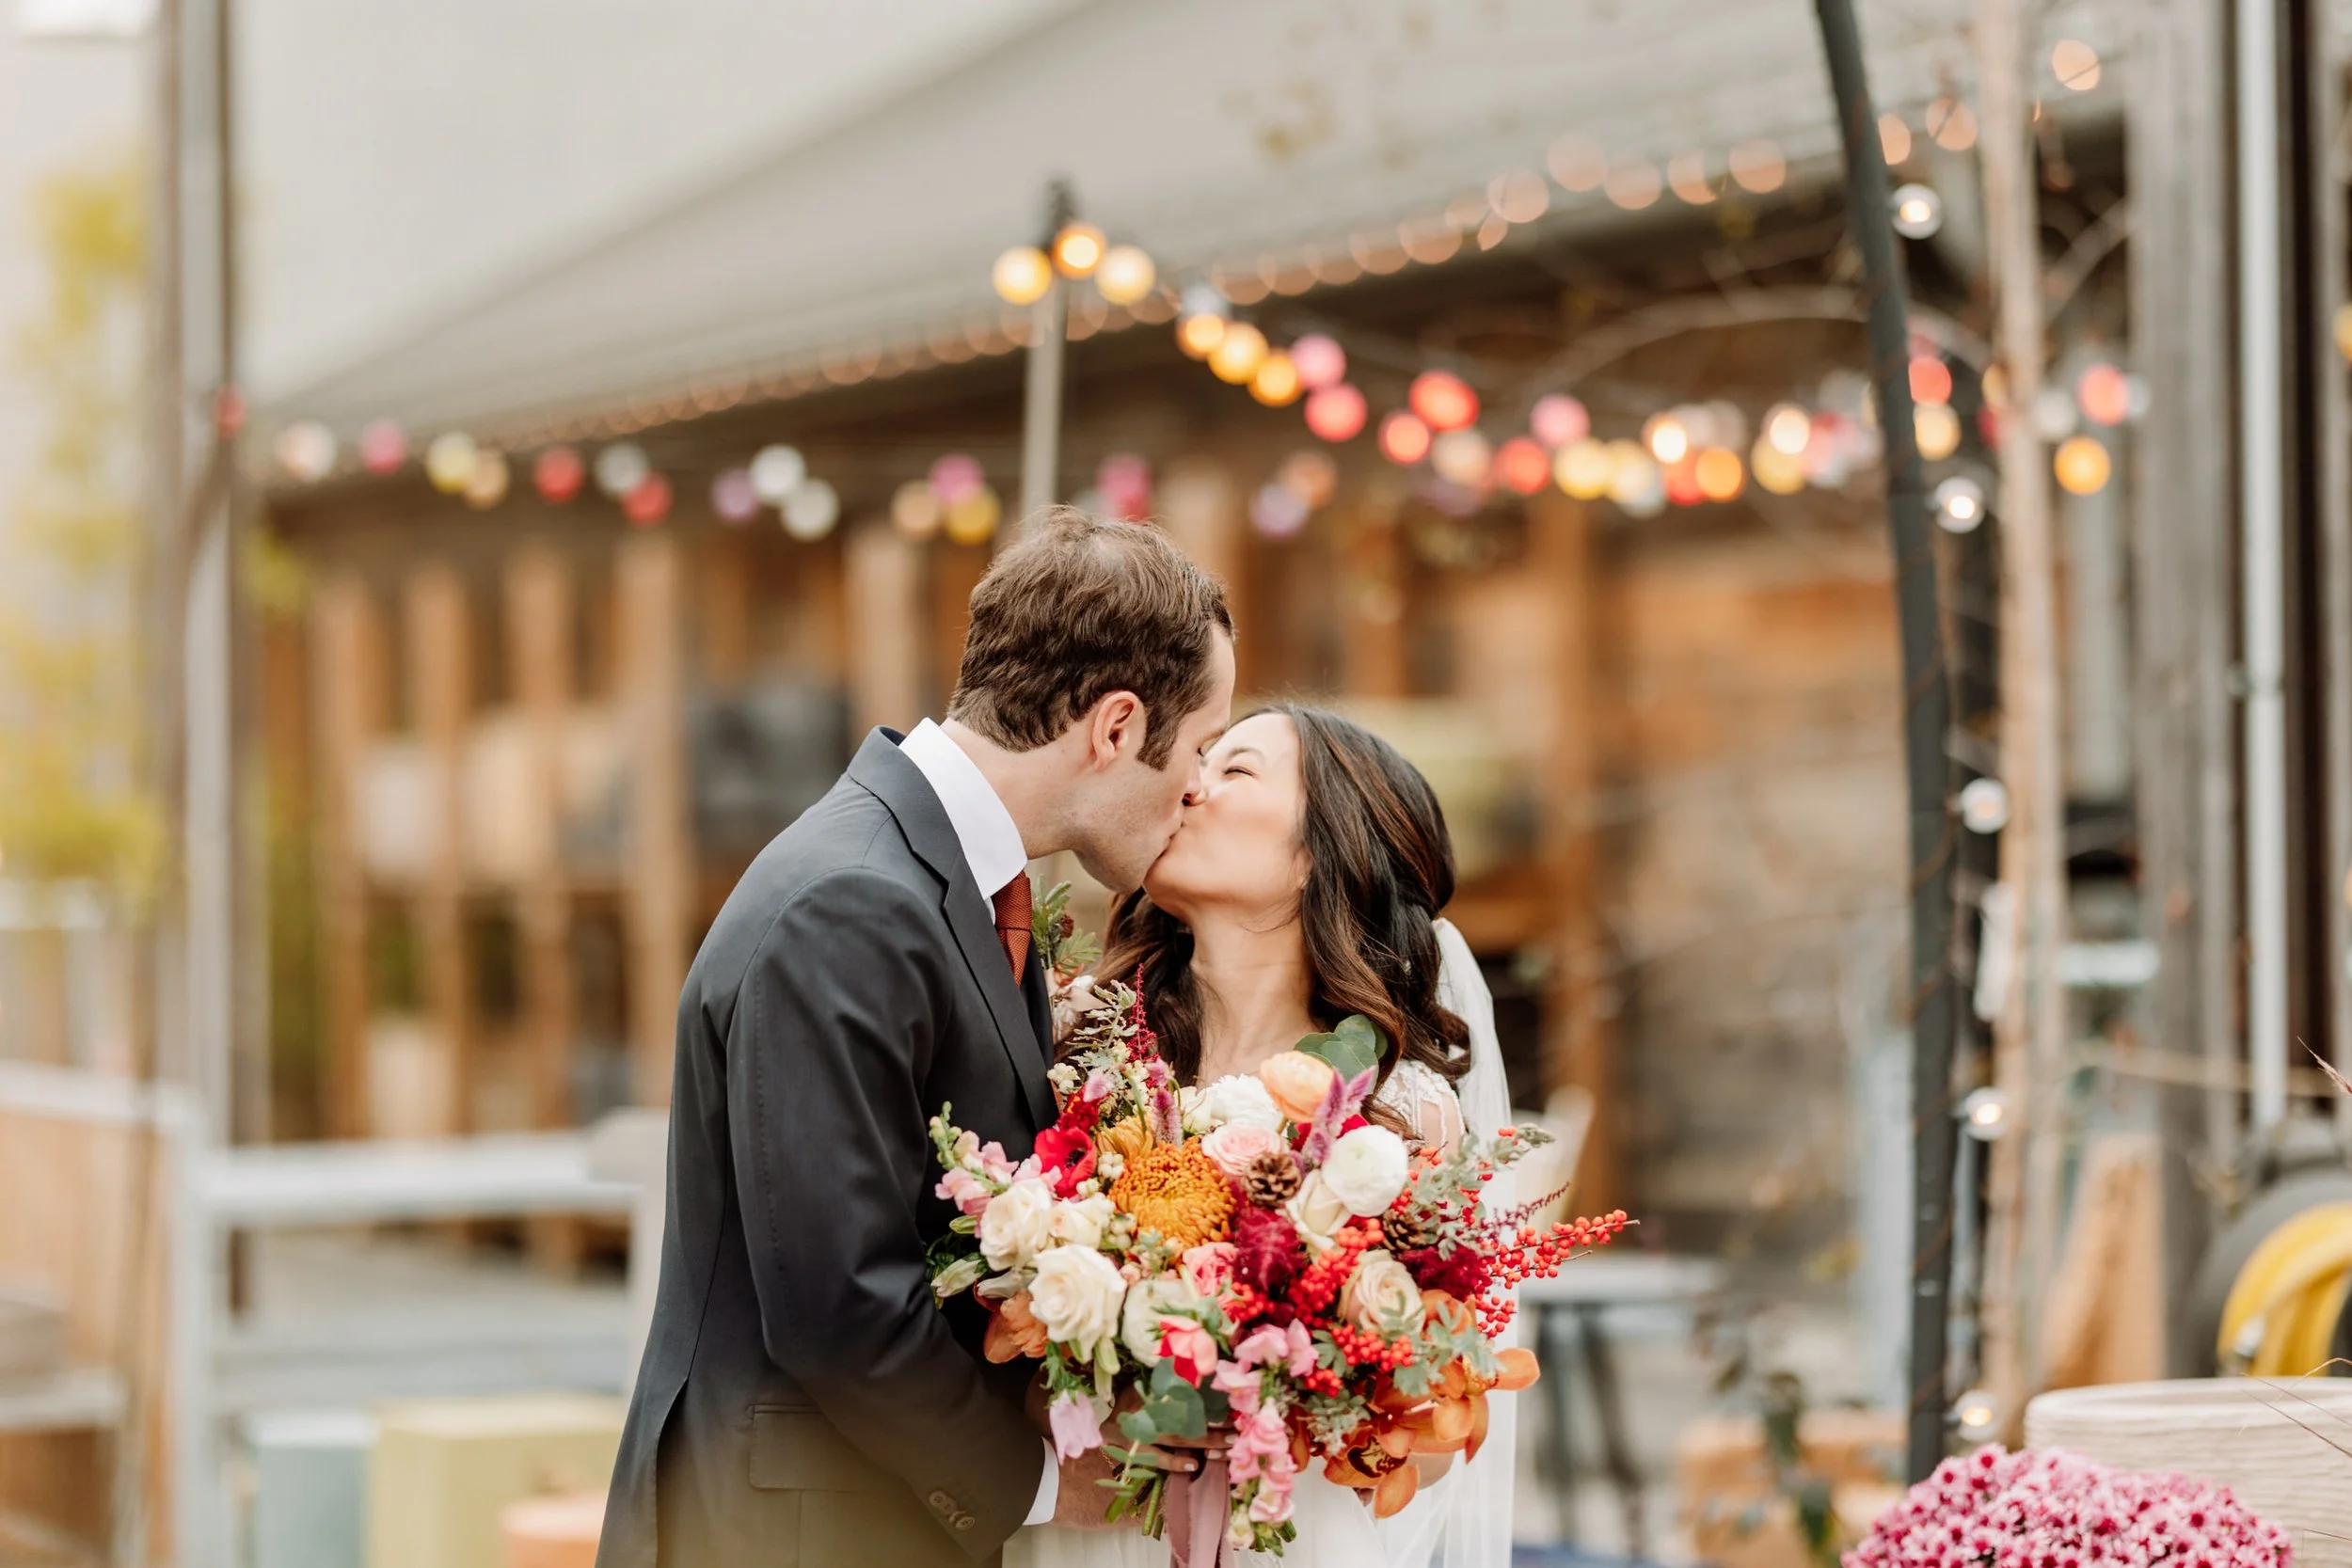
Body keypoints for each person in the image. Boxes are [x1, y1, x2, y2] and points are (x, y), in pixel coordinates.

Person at [595, 508, 1237, 1568]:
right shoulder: (852, 901)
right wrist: (1036, 1479)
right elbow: (838, 1301)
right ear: (1116, 727)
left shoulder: (945, 882)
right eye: (1201, 745)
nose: (1199, 784)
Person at [1006, 703, 1521, 1568]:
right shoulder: (1071, 1052)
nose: (1188, 782)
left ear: (1325, 847)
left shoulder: (1401, 1112)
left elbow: (1432, 1440)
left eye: (1234, 769)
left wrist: (1306, 1376)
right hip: (1085, 1525)